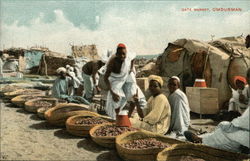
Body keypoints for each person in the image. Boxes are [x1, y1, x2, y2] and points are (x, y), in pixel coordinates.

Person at [184, 107, 249, 154]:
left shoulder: (225, 125)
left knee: (211, 136)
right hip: (224, 145)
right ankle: (198, 138)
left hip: (215, 146)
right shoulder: (239, 130)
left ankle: (198, 138)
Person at [104, 43, 142, 119]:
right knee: (116, 97)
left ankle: (129, 116)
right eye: (120, 54)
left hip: (126, 74)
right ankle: (116, 116)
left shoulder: (128, 57)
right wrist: (113, 93)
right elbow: (105, 78)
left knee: (133, 93)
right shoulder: (112, 62)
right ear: (116, 54)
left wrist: (131, 68)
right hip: (115, 78)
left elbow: (133, 57)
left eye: (123, 54)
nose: (122, 56)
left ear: (126, 53)